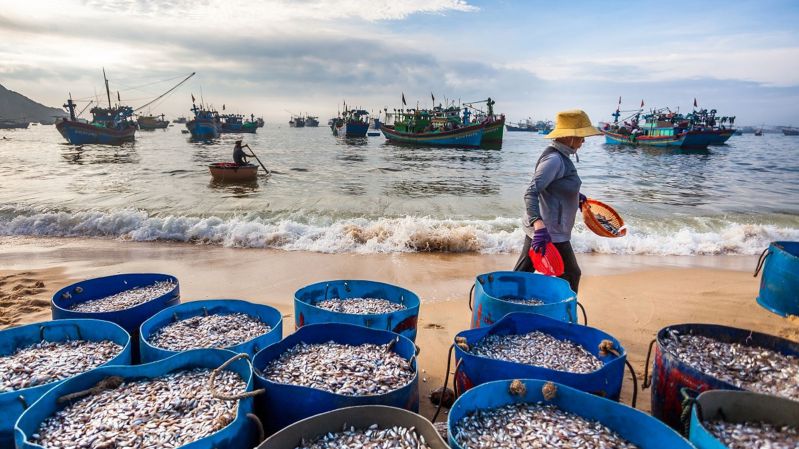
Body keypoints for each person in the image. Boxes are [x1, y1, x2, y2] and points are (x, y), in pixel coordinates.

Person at [513, 109, 602, 293]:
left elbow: (555, 189)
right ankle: (564, 315)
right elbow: (531, 192)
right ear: (569, 136)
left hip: (550, 230)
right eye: (581, 136)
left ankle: (510, 304)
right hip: (547, 232)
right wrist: (538, 226)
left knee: (523, 274)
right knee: (570, 274)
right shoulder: (554, 160)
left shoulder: (562, 157)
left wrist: (576, 197)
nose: (583, 140)